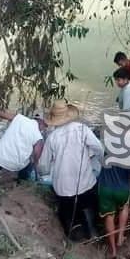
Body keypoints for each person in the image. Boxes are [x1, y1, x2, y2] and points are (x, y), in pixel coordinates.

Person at [38, 100, 103, 241]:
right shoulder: (82, 129)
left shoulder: (52, 138)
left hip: (63, 186)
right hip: (85, 181)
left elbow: (43, 165)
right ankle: (93, 233)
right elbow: (98, 148)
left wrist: (42, 174)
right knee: (88, 205)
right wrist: (102, 161)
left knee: (66, 211)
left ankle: (71, 237)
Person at [0, 110, 45, 197]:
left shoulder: (20, 118)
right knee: (29, 165)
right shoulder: (39, 137)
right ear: (42, 123)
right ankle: (21, 185)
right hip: (16, 165)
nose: (44, 128)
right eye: (45, 126)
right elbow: (36, 156)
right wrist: (35, 167)